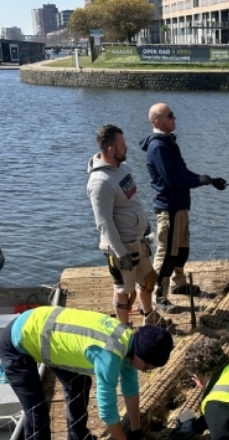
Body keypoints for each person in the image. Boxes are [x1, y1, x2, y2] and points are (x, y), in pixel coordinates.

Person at [0, 306, 173, 440]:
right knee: (37, 415)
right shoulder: (109, 356)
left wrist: (136, 431)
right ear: (141, 355)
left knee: (79, 383)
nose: (145, 371)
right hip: (18, 342)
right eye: (147, 367)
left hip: (47, 333)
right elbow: (107, 410)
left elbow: (131, 389)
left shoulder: (129, 343)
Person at [139, 103, 228, 314]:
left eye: (173, 115)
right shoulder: (158, 147)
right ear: (157, 121)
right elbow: (173, 180)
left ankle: (179, 284)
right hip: (168, 208)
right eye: (170, 116)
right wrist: (200, 181)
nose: (174, 118)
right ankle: (159, 295)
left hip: (179, 207)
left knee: (181, 251)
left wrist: (208, 179)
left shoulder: (169, 143)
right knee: (167, 254)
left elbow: (183, 172)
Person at [87, 124, 158, 325]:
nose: (126, 147)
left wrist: (145, 226)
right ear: (111, 149)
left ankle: (149, 317)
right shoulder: (100, 182)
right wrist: (121, 254)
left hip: (138, 241)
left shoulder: (123, 168)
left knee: (148, 279)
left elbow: (132, 201)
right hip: (122, 247)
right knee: (123, 290)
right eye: (122, 144)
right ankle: (124, 329)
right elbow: (104, 223)